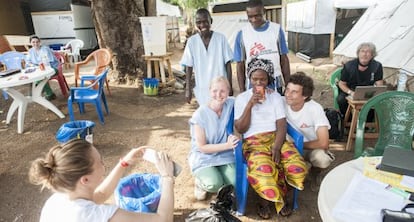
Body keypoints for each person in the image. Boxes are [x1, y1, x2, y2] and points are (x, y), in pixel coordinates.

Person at [29, 139, 175, 222]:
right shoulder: (95, 215)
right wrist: (167, 177)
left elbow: (101, 195)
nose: (104, 165)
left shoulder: (59, 199)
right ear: (85, 179)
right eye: (100, 162)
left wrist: (124, 163)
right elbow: (163, 219)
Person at [234, 58, 307, 219]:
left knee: (296, 165)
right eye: (255, 79)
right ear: (249, 78)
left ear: (269, 80)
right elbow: (240, 128)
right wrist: (249, 105)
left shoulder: (275, 97)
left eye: (263, 79)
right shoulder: (242, 99)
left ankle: (284, 197)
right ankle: (264, 202)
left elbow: (281, 125)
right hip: (254, 143)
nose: (258, 83)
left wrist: (276, 146)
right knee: (264, 168)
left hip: (276, 138)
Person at [188, 76, 239, 201]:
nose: (219, 95)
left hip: (224, 155)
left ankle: (218, 176)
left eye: (223, 91)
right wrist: (227, 145)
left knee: (235, 181)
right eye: (215, 91)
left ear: (228, 91)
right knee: (214, 184)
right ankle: (200, 183)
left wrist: (267, 91)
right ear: (210, 91)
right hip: (203, 156)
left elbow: (248, 98)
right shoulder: (200, 115)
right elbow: (202, 147)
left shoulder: (231, 103)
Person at [284, 72, 335, 191]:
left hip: (310, 147)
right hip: (290, 148)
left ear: (305, 96)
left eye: (294, 92)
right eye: (287, 90)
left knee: (322, 159)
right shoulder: (281, 102)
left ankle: (315, 173)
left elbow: (323, 143)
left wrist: (299, 145)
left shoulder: (315, 109)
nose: (288, 95)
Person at [233, 0, 290, 95]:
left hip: (275, 82)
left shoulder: (276, 30)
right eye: (250, 17)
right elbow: (240, 64)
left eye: (257, 15)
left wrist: (288, 85)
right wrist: (242, 91)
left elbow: (284, 59)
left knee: (275, 108)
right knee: (255, 109)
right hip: (253, 84)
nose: (254, 19)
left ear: (264, 11)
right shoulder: (242, 34)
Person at [181, 8, 233, 106]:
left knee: (221, 116)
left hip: (220, 89)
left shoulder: (220, 38)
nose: (202, 25)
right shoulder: (192, 42)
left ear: (211, 21)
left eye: (205, 22)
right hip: (202, 88)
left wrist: (229, 86)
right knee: (206, 117)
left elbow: (228, 63)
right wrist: (188, 89)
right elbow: (189, 66)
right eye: (199, 22)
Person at [337, 42, 384, 116]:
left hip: (367, 91)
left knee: (375, 101)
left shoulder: (377, 66)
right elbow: (341, 83)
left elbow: (379, 83)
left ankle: (366, 123)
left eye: (368, 52)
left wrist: (378, 93)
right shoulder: (349, 65)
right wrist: (351, 92)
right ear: (358, 53)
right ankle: (347, 121)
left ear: (372, 55)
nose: (365, 54)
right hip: (350, 90)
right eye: (362, 51)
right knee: (341, 100)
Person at [27, 35, 58, 100]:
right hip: (39, 69)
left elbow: (48, 62)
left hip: (52, 68)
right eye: (33, 42)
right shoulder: (30, 51)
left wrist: (39, 65)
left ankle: (47, 93)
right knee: (36, 77)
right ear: (30, 43)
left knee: (40, 78)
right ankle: (49, 93)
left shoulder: (45, 49)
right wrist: (34, 65)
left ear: (40, 42)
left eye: (37, 42)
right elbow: (28, 62)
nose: (35, 44)